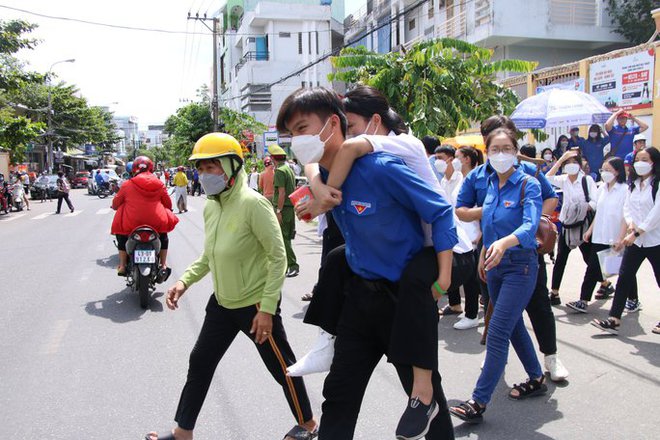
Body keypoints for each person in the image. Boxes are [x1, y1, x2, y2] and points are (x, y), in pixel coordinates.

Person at [278, 87, 457, 440]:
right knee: (339, 396)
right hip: (359, 303)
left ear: (332, 123)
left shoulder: (381, 168)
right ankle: (325, 342)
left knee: (425, 405)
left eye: (301, 129)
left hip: (402, 301)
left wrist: (442, 277)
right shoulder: (326, 180)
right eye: (291, 134)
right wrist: (315, 192)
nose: (296, 141)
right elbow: (316, 169)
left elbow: (441, 212)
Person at [145, 133, 317, 440]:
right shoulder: (213, 207)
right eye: (202, 168)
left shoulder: (254, 205)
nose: (205, 175)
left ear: (232, 167)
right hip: (222, 304)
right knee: (200, 362)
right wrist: (184, 281)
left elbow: (278, 258)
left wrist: (266, 309)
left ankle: (307, 424)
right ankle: (183, 432)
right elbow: (210, 255)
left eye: (212, 168)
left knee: (283, 368)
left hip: (254, 306)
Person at [456, 115, 569, 382]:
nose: (501, 150)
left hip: (524, 250)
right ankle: (498, 354)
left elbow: (551, 198)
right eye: (495, 143)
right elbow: (460, 210)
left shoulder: (526, 173)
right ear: (486, 144)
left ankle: (551, 357)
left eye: (507, 143)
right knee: (494, 306)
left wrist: (525, 219)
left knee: (539, 304)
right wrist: (492, 210)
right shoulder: (477, 177)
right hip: (490, 250)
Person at [449, 128, 545, 424]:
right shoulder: (489, 183)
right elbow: (479, 220)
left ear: (516, 151)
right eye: (495, 149)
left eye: (507, 148)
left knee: (499, 330)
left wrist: (504, 243)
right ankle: (536, 378)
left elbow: (530, 226)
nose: (501, 154)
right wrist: (486, 252)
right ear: (487, 153)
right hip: (493, 264)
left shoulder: (529, 184)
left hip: (520, 265)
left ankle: (478, 401)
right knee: (512, 324)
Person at [592, 147, 660, 335]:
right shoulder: (633, 185)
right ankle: (614, 319)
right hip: (635, 242)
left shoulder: (657, 184)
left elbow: (656, 214)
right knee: (624, 277)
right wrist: (630, 224)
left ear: (653, 162)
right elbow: (627, 207)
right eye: (637, 159)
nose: (640, 163)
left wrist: (636, 232)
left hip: (655, 241)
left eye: (644, 159)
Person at [567, 157, 631, 312]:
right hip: (600, 235)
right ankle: (583, 300)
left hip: (616, 236)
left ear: (617, 171)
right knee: (592, 268)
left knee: (623, 270)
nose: (605, 173)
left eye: (608, 170)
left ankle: (633, 298)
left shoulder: (625, 190)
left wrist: (621, 238)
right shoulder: (601, 188)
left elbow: (626, 215)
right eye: (603, 170)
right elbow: (599, 213)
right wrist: (589, 230)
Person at [546, 149, 609, 306]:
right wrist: (560, 160)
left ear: (580, 165)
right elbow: (547, 178)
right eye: (568, 163)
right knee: (561, 258)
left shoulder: (586, 180)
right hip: (567, 225)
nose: (571, 166)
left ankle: (606, 283)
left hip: (583, 225)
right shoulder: (564, 179)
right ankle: (554, 292)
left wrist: (580, 208)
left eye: (574, 163)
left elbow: (595, 203)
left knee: (589, 259)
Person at [111, 156, 178, 277]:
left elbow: (115, 205)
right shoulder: (159, 184)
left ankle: (122, 265)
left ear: (134, 169)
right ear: (151, 168)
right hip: (156, 223)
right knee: (163, 236)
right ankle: (163, 265)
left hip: (131, 224)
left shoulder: (127, 184)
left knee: (121, 236)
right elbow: (168, 204)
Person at [270, 144, 299, 278]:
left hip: (284, 208)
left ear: (272, 158)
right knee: (285, 237)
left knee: (284, 238)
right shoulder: (288, 169)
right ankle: (287, 265)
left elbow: (281, 193)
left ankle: (292, 265)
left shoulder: (280, 171)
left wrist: (278, 210)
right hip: (289, 207)